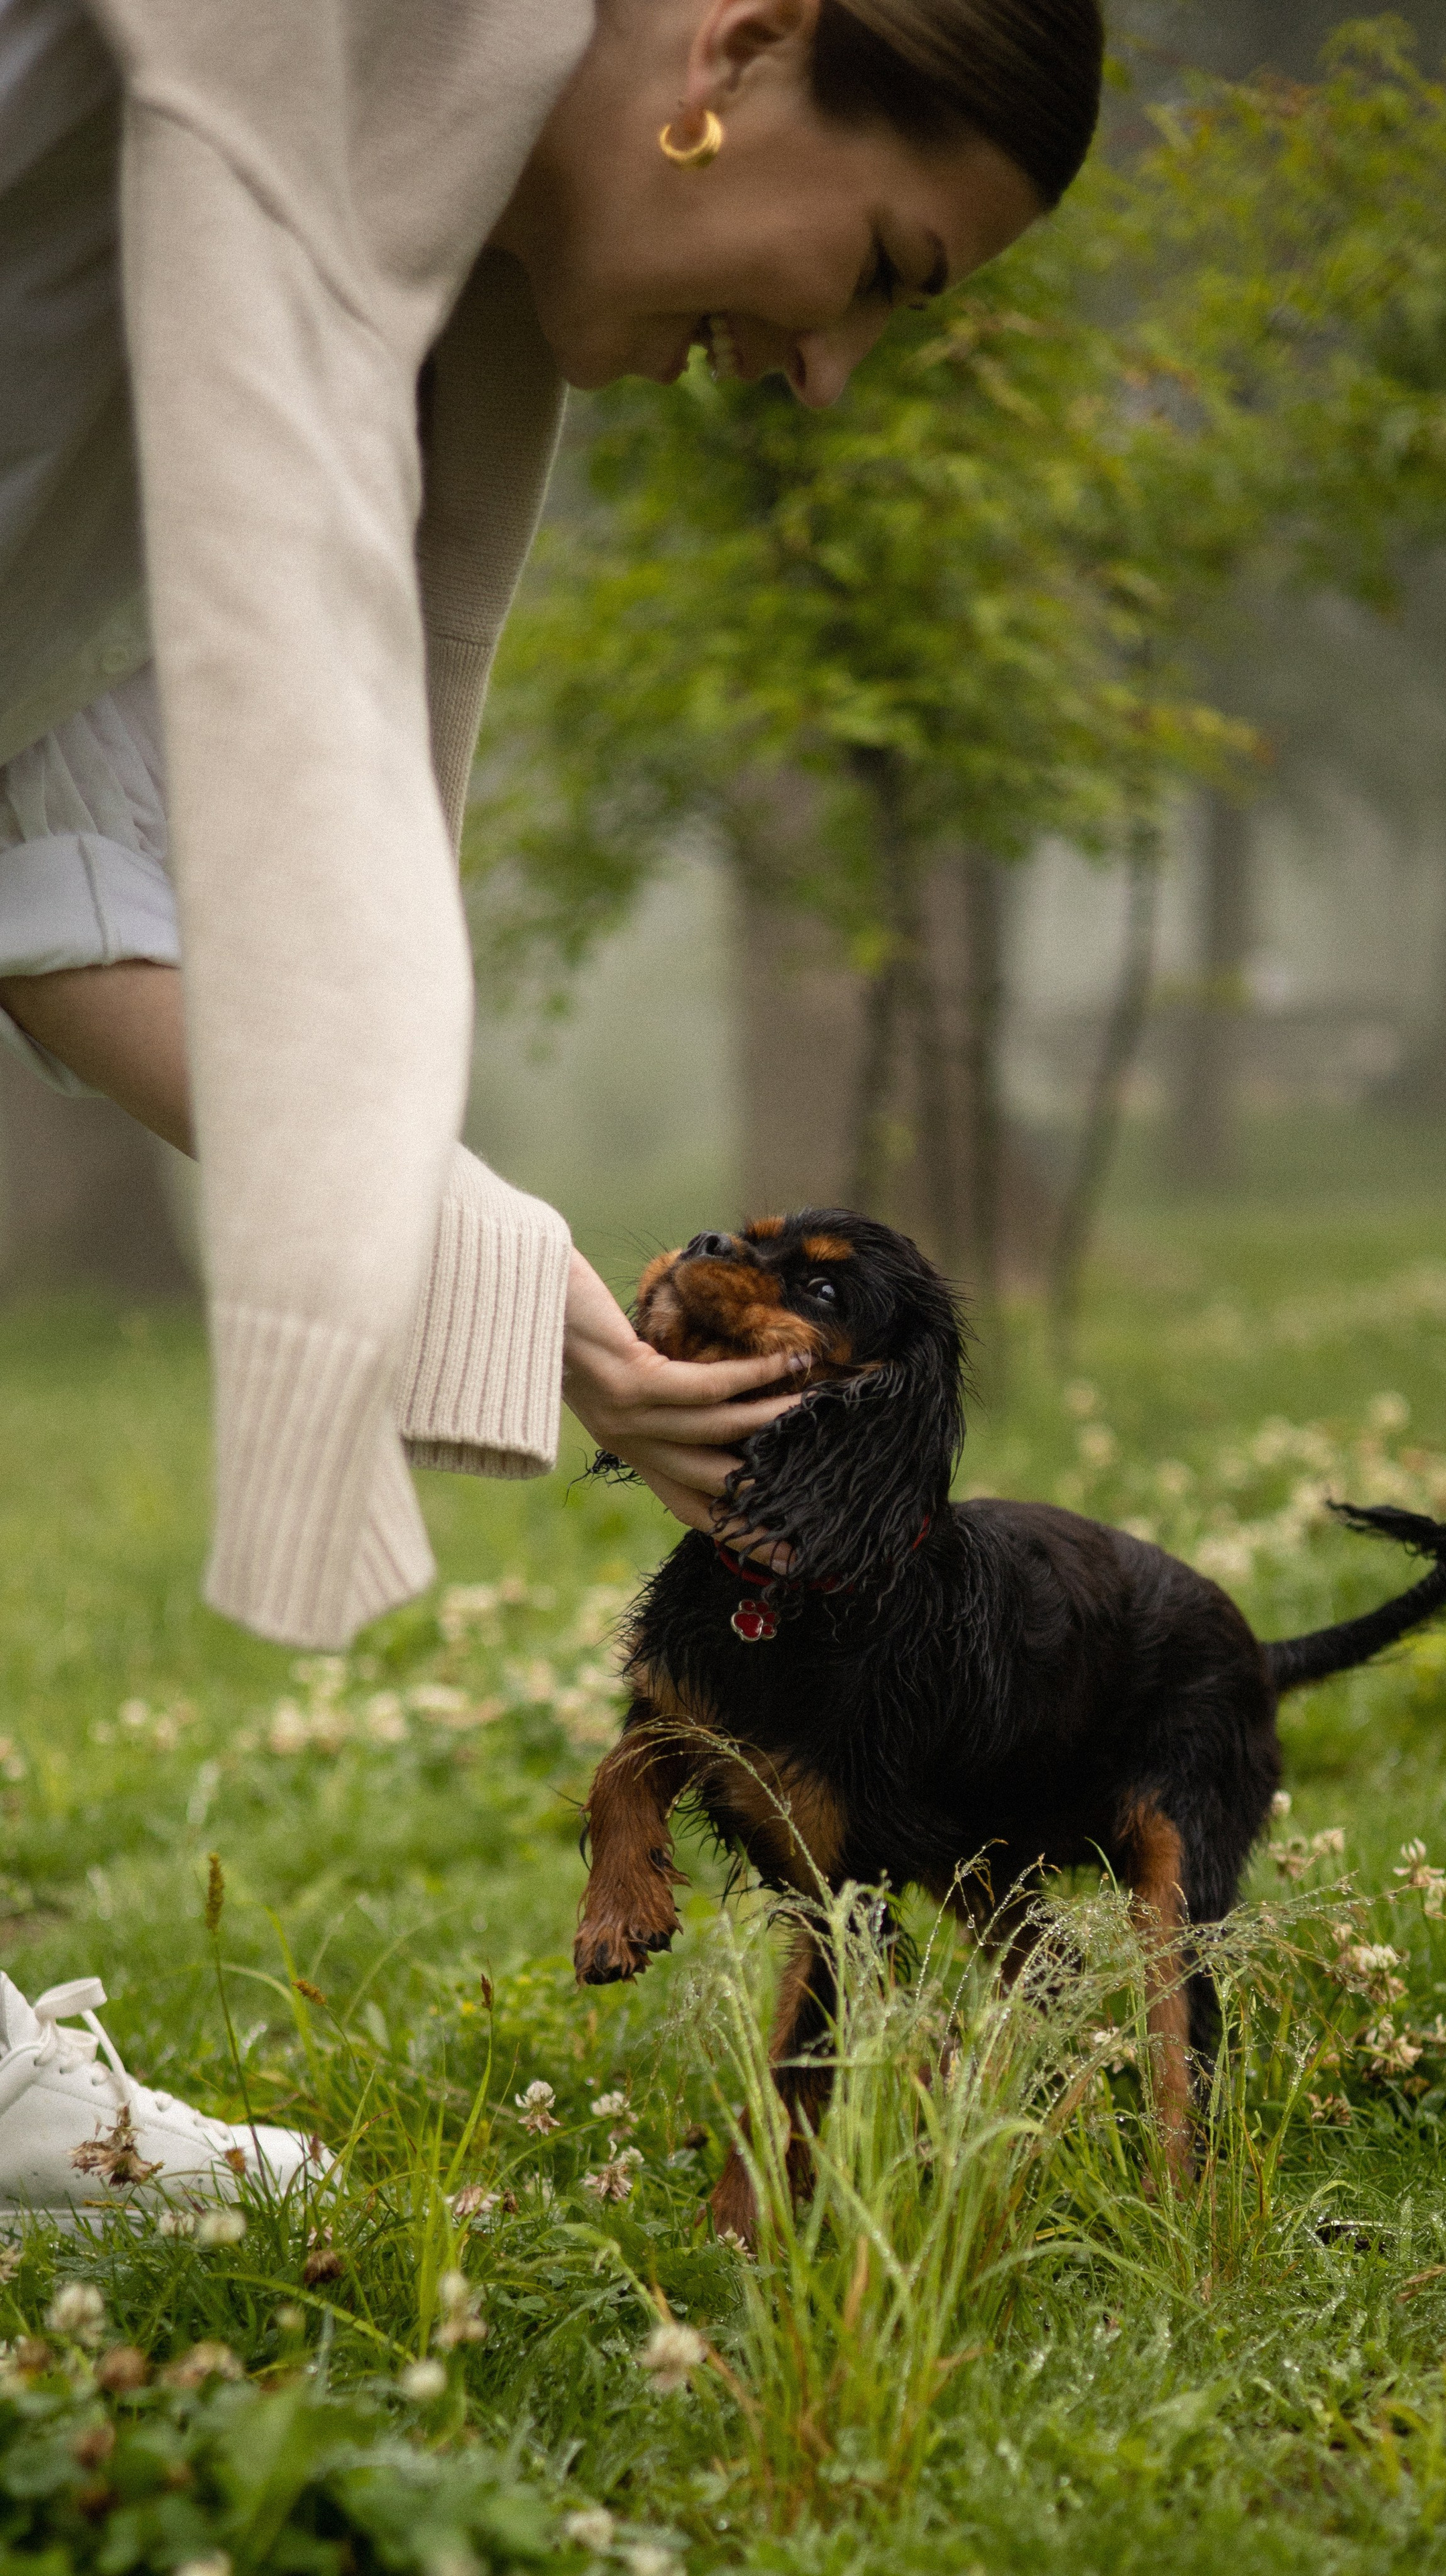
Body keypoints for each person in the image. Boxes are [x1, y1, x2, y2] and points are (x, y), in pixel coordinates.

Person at [0, 0, 1103, 2216]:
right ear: (748, 42)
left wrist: (507, 1267)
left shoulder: (388, 291)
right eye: (883, 266)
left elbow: (53, 860)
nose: (826, 372)